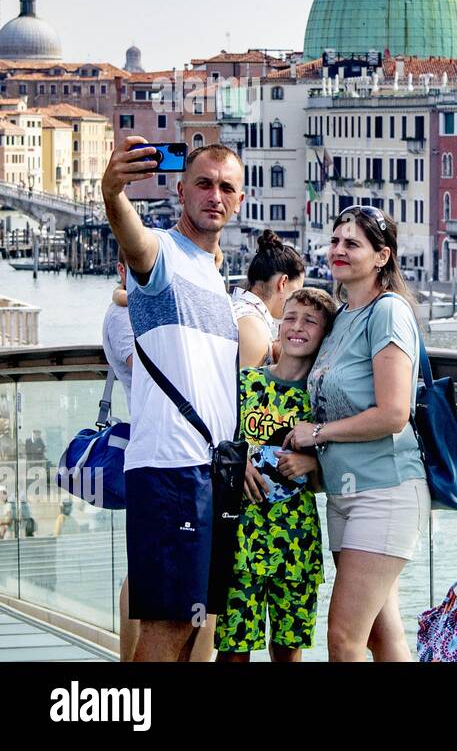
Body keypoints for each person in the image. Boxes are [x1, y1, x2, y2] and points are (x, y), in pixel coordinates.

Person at [102, 138, 244, 662]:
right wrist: (113, 192)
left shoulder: (213, 272)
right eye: (203, 183)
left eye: (226, 187)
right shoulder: (161, 254)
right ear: (181, 189)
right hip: (170, 469)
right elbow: (132, 240)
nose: (214, 195)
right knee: (166, 631)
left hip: (207, 471)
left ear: (239, 200)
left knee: (191, 628)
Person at [285, 205, 427, 662]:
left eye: (353, 244)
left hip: (384, 491)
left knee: (343, 638)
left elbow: (393, 413)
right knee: (381, 638)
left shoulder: (388, 312)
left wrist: (318, 435)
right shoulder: (343, 314)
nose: (339, 251)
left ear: (382, 256)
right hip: (345, 494)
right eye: (335, 241)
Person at [216, 288, 336, 663]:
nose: (297, 327)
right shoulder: (245, 383)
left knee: (287, 649)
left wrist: (313, 464)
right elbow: (216, 442)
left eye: (310, 321)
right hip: (242, 540)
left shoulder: (323, 398)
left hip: (295, 543)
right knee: (233, 650)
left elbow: (346, 457)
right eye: (290, 317)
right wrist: (240, 466)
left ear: (325, 335)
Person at [233, 230, 306, 368]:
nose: (297, 300)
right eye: (297, 290)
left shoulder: (236, 308)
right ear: (283, 282)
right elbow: (242, 388)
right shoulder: (254, 330)